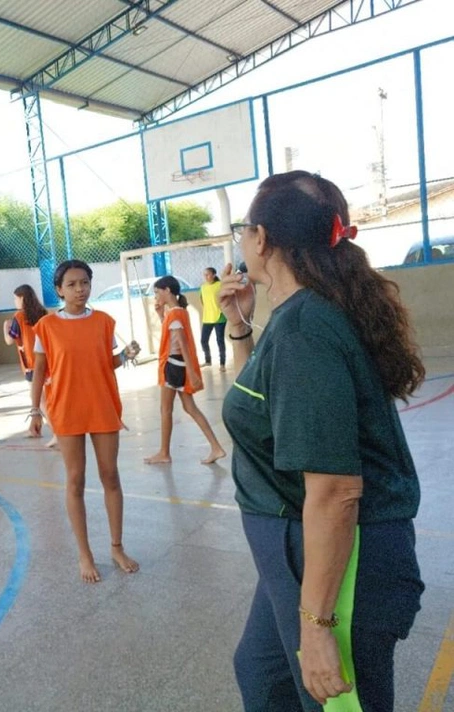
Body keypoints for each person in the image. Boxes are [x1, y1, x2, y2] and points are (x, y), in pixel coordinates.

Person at [220, 171, 425, 711]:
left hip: (338, 555)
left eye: (245, 230)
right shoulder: (301, 317)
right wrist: (240, 328)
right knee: (264, 677)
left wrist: (317, 627)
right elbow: (262, 406)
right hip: (291, 549)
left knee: (334, 701)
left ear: (261, 239)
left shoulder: (305, 330)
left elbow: (335, 490)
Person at [28, 259, 140, 584]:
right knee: (75, 479)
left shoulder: (105, 322)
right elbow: (39, 371)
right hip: (66, 410)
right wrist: (35, 411)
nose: (80, 289)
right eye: (72, 284)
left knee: (111, 476)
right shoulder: (46, 327)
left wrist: (126, 355)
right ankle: (85, 553)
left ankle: (117, 547)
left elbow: (108, 362)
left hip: (103, 407)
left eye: (85, 283)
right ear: (59, 290)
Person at [144, 276, 226, 466]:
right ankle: (216, 447)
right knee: (190, 407)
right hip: (178, 365)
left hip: (173, 366)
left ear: (167, 290)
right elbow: (174, 337)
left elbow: (181, 343)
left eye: (157, 292)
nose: (156, 296)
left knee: (165, 409)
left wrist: (193, 372)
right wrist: (160, 316)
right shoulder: (178, 312)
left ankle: (164, 452)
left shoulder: (174, 314)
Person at [2, 284, 56, 448]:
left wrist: (5, 328)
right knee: (40, 398)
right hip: (47, 360)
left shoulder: (19, 317)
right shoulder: (43, 313)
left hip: (31, 364)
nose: (14, 301)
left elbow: (9, 340)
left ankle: (57, 433)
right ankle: (35, 428)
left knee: (40, 401)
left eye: (15, 298)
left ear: (22, 298)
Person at [199, 266, 227, 371]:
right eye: (204, 275)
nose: (205, 276)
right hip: (207, 318)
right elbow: (202, 301)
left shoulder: (220, 285)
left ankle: (222, 364)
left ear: (214, 275)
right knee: (203, 340)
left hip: (220, 317)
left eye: (208, 274)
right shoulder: (202, 287)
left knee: (220, 340)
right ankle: (208, 360)